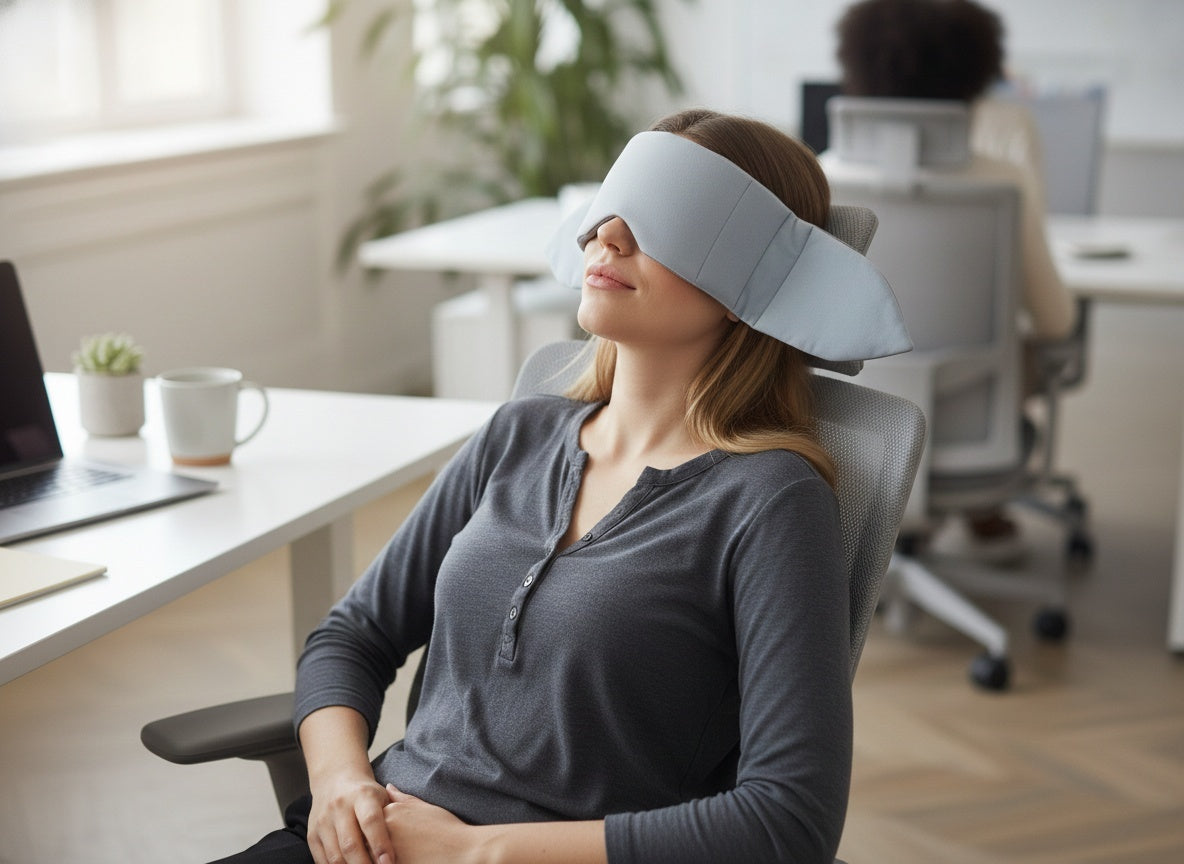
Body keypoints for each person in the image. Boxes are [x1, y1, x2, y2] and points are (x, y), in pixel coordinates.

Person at [212, 108, 911, 864]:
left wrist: (475, 852)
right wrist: (340, 784)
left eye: (668, 216)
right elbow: (352, 635)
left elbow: (788, 823)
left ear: (755, 278)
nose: (607, 235)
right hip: (369, 835)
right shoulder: (520, 434)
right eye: (611, 206)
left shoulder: (769, 500)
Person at [830, 0, 1079, 561]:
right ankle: (977, 512)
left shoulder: (821, 176)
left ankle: (904, 532)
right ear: (975, 75)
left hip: (849, 435)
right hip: (975, 439)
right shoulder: (1003, 184)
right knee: (1024, 349)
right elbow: (1056, 322)